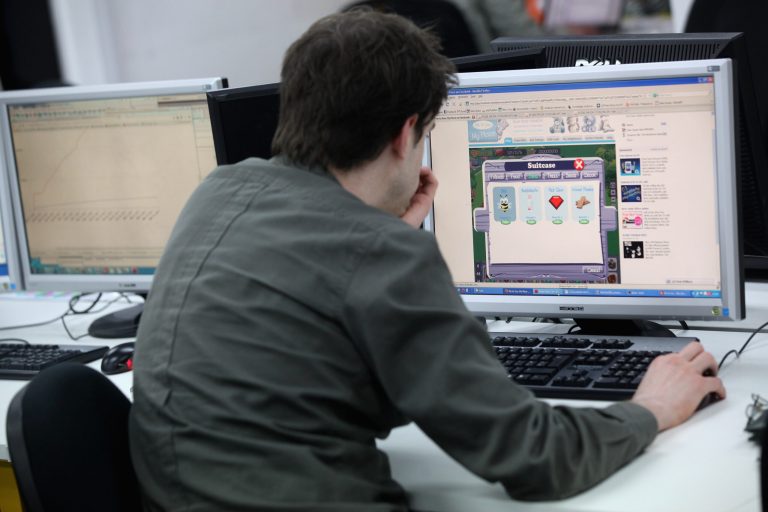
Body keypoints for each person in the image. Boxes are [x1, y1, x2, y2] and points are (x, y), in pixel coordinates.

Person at [128, 9, 725, 512]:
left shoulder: (220, 191)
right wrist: (651, 408)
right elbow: (536, 459)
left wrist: (385, 244)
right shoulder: (380, 253)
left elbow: (339, 380)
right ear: (404, 133)